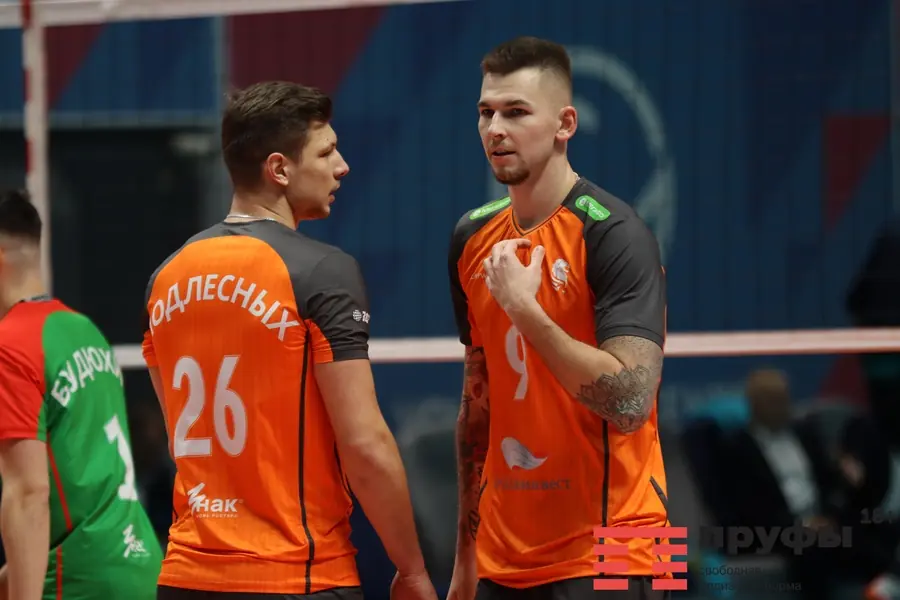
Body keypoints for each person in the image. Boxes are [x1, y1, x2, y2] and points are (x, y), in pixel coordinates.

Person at [141, 81, 437, 600]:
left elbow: (176, 437)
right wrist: (411, 568)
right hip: (297, 577)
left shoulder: (163, 278)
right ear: (279, 169)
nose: (342, 166)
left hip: (185, 578)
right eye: (326, 152)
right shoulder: (322, 271)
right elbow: (365, 445)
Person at [447, 37, 670, 600]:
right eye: (486, 113)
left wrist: (524, 309)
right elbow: (478, 404)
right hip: (503, 555)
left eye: (517, 112)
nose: (496, 129)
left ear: (565, 124)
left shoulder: (616, 232)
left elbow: (629, 403)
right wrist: (465, 556)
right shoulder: (471, 236)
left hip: (625, 546)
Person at [0, 189, 162, 599]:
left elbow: (29, 496)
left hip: (80, 582)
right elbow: (82, 489)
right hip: (138, 566)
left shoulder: (10, 345)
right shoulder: (85, 331)